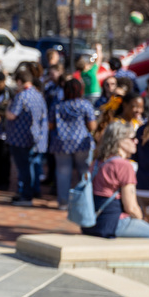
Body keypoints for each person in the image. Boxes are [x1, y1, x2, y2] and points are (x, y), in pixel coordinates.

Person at [83, 121, 149, 239]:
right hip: (112, 223)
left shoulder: (97, 162)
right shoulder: (124, 166)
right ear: (119, 141)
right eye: (132, 138)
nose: (136, 141)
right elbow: (131, 208)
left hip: (90, 222)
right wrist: (142, 220)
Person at [49, 78, 96, 209]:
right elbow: (92, 126)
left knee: (63, 174)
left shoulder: (57, 105)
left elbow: (50, 125)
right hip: (82, 143)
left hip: (61, 143)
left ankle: (63, 202)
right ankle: (84, 202)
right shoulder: (85, 105)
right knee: (84, 172)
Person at [5, 68, 48, 206]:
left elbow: (12, 115)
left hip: (21, 138)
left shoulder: (22, 96)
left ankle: (26, 195)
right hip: (35, 137)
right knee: (32, 166)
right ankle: (32, 191)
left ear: (19, 81)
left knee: (24, 168)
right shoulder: (38, 95)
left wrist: (7, 107)